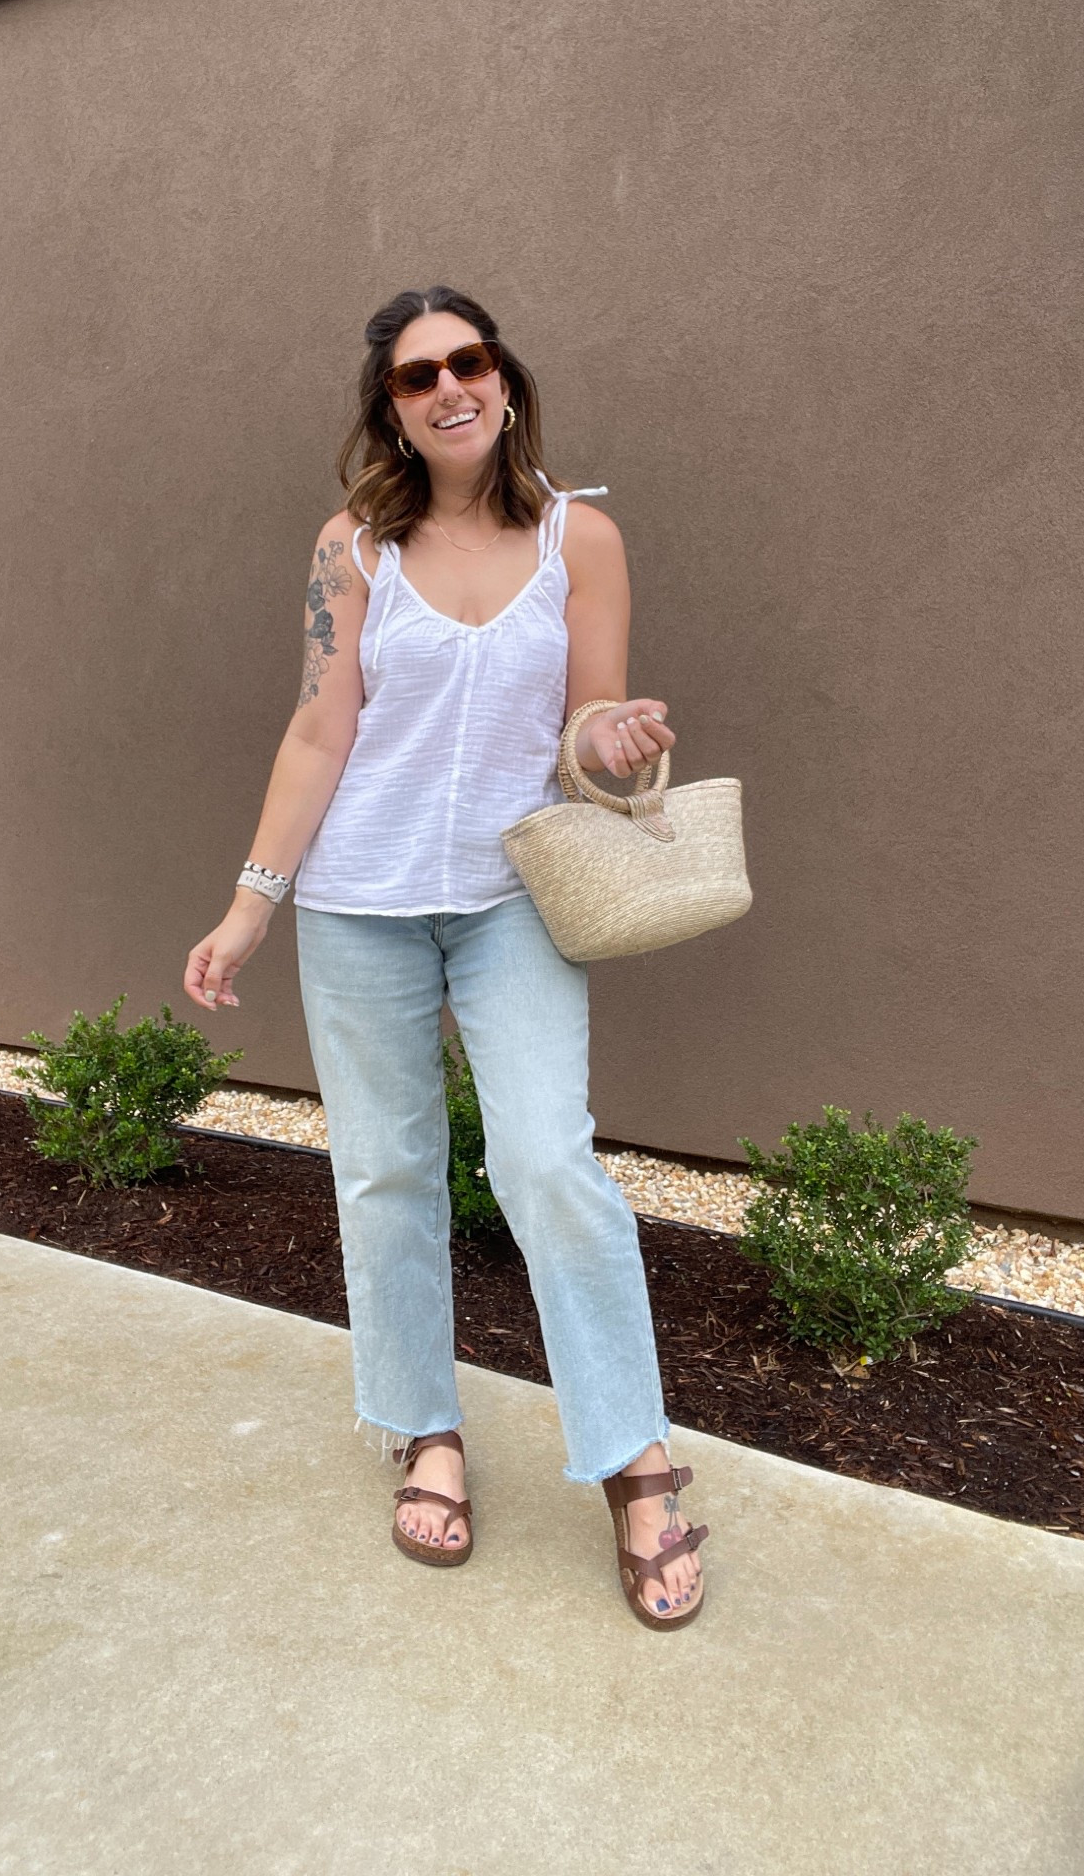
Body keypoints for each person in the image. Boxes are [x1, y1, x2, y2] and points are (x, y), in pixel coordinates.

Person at [184, 284, 709, 1629]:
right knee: (387, 1170)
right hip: (358, 901)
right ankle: (424, 1428)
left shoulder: (578, 539)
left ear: (506, 380)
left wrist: (611, 739)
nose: (448, 388)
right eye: (419, 378)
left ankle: (634, 1462)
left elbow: (587, 713)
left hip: (514, 896)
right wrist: (252, 902)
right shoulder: (351, 553)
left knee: (547, 1160)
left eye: (468, 362)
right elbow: (319, 734)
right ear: (394, 411)